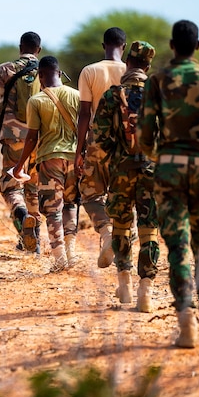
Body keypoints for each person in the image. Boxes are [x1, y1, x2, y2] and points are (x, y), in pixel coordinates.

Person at [138, 20, 199, 348]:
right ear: (198, 46)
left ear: (171, 45)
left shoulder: (158, 81)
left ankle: (186, 326)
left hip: (168, 171)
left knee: (178, 246)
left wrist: (160, 155)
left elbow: (145, 135)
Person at [93, 41, 160, 312]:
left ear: (129, 64)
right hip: (151, 170)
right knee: (149, 228)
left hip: (121, 169)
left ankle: (125, 284)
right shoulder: (158, 96)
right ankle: (147, 290)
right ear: (147, 67)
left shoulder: (112, 95)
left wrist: (114, 159)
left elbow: (99, 136)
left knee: (121, 226)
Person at [11, 56, 80, 272]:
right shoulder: (77, 95)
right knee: (70, 204)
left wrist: (19, 165)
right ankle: (71, 251)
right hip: (73, 158)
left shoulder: (37, 100)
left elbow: (32, 137)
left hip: (49, 160)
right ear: (59, 73)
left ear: (40, 76)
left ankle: (59, 258)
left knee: (52, 210)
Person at [0, 32, 43, 253]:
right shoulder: (47, 69)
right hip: (42, 138)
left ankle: (21, 214)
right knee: (34, 186)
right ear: (39, 49)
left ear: (20, 47)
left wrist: (0, 125)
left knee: (11, 186)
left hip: (15, 137)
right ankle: (35, 239)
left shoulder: (5, 69)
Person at [75, 27, 128, 269]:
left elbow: (85, 113)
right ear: (123, 47)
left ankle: (106, 232)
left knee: (90, 192)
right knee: (125, 193)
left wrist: (79, 151)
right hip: (127, 141)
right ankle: (127, 235)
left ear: (103, 45)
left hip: (98, 140)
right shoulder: (133, 72)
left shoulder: (90, 71)